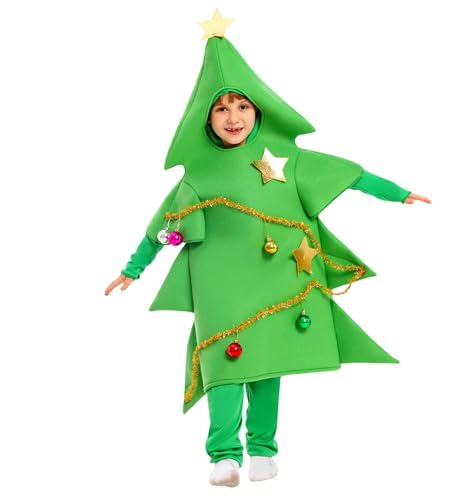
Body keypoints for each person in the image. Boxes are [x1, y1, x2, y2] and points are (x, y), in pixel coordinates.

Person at [105, 12, 431, 489]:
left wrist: (398, 193)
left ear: (258, 111)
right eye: (221, 109)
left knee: (266, 364)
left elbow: (350, 174)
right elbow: (162, 226)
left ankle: (262, 449)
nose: (233, 117)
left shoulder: (286, 160)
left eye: (242, 106)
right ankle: (223, 455)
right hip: (218, 288)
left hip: (274, 280)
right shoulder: (199, 175)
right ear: (206, 118)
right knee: (222, 363)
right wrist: (134, 268)